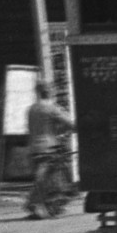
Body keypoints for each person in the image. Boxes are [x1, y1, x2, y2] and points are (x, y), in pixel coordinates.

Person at [24, 79, 76, 220]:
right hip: (49, 148)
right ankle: (47, 205)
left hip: (33, 149)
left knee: (41, 179)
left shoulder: (31, 109)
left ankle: (39, 205)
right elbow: (70, 124)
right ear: (50, 92)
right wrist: (69, 130)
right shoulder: (52, 108)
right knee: (60, 176)